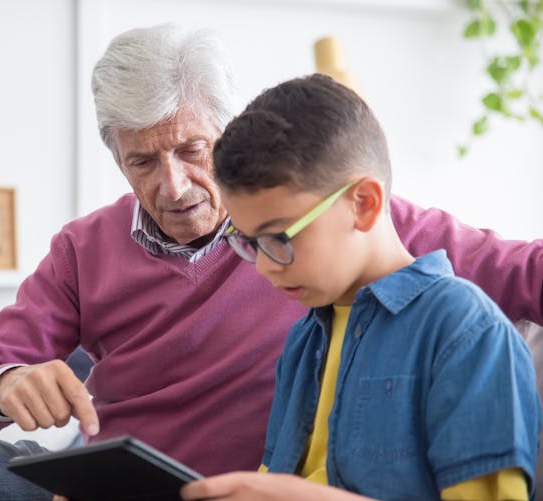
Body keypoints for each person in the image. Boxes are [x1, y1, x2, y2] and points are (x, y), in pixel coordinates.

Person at [0, 23, 543, 501]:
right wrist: (4, 387)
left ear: (227, 135)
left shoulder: (346, 223)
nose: (173, 184)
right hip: (103, 484)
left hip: (234, 489)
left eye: (194, 151)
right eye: (141, 160)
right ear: (118, 160)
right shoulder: (82, 248)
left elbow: (517, 273)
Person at [182, 73, 541, 500]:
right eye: (249, 242)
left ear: (365, 204)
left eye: (279, 238)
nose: (262, 266)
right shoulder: (304, 340)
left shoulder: (466, 332)